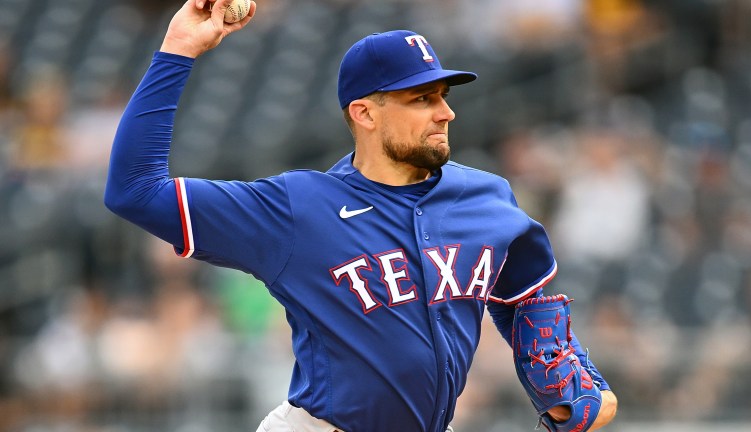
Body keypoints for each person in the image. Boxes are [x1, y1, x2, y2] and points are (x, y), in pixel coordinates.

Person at [104, 1, 618, 431]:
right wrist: (179, 49)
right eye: (421, 98)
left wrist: (567, 385)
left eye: (442, 96)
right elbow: (134, 190)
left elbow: (526, 295)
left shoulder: (487, 198)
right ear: (365, 113)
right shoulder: (297, 208)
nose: (445, 112)